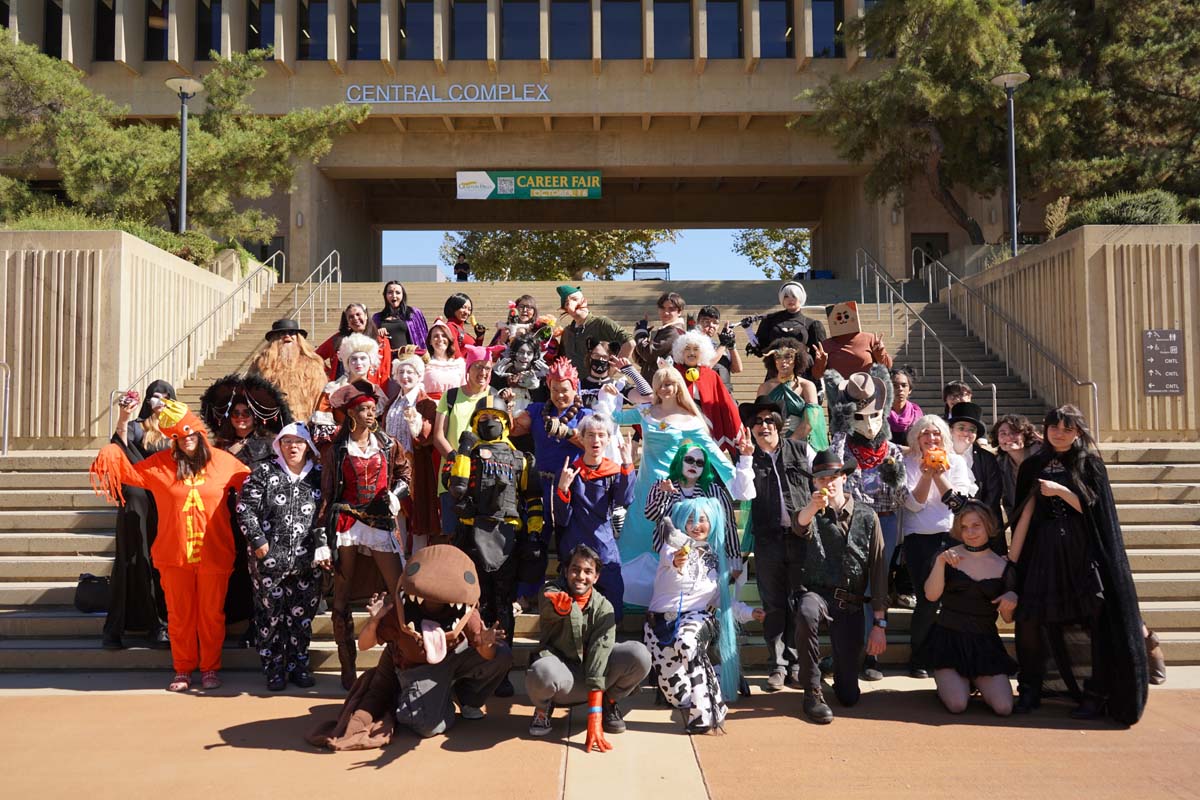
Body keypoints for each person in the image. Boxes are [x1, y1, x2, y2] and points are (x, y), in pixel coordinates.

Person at [89, 399, 251, 692]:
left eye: (191, 435)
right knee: (179, 616)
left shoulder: (224, 462)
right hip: (173, 555)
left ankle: (211, 667)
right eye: (179, 436)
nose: (187, 440)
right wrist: (115, 442)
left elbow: (253, 486)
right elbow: (127, 472)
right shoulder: (161, 465)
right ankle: (183, 669)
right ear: (173, 440)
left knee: (212, 615)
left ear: (200, 433)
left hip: (215, 554)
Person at [1009, 405, 1149, 724]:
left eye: (1067, 429)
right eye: (1054, 427)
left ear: (1078, 433)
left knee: (1095, 622)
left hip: (1083, 552)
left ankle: (1096, 694)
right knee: (1030, 618)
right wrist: (1012, 563)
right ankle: (1030, 688)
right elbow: (1024, 516)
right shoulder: (1033, 465)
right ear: (1044, 429)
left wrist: (1061, 490)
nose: (1059, 433)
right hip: (1043, 551)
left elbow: (1096, 512)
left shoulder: (1090, 464)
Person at [308, 545, 511, 748]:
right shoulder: (400, 608)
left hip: (453, 657)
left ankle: (468, 699)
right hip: (416, 667)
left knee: (501, 654)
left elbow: (487, 654)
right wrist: (375, 621)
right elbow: (364, 644)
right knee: (425, 726)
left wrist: (485, 641)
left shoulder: (462, 607)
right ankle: (439, 700)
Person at [318, 380, 412, 690]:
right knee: (341, 596)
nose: (371, 413)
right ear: (351, 414)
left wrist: (396, 495)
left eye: (373, 409)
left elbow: (404, 474)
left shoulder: (387, 443)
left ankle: (400, 657)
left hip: (380, 520)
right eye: (364, 409)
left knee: (398, 591)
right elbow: (328, 494)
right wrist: (322, 539)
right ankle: (348, 666)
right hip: (345, 521)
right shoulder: (336, 450)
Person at [447, 396, 543, 698]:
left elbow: (533, 499)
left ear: (506, 422)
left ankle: (501, 668)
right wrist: (463, 450)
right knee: (475, 603)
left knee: (503, 604)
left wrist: (536, 534)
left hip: (507, 537)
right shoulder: (468, 454)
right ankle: (475, 665)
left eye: (496, 417)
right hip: (473, 534)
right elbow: (456, 487)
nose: (490, 421)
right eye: (484, 416)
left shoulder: (522, 459)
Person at [644, 497, 764, 734]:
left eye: (702, 519)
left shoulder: (716, 560)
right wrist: (678, 559)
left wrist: (751, 612)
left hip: (696, 619)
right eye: (689, 519)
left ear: (713, 523)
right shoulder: (672, 546)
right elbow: (672, 556)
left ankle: (709, 711)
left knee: (687, 643)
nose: (696, 525)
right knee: (677, 697)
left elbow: (722, 600)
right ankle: (716, 677)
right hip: (658, 626)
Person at [791, 450, 889, 724]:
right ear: (814, 483)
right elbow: (799, 526)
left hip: (851, 604)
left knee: (849, 697)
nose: (827, 483)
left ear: (844, 477)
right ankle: (811, 691)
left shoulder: (868, 516)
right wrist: (812, 507)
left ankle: (833, 665)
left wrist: (879, 624)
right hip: (818, 594)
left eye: (833, 477)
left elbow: (878, 571)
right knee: (806, 610)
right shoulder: (811, 512)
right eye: (821, 478)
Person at [605, 366, 734, 570]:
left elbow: (712, 452)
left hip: (671, 488)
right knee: (636, 532)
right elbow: (616, 418)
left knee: (667, 534)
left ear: (678, 386)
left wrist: (737, 475)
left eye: (669, 384)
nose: (664, 389)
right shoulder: (646, 411)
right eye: (660, 385)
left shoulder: (690, 420)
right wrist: (610, 397)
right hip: (645, 485)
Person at [200, 373, 295, 648]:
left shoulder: (269, 445)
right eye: (236, 413)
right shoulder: (218, 446)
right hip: (222, 517)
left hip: (259, 519)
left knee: (258, 573)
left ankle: (258, 624)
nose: (241, 417)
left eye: (246, 413)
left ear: (256, 416)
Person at [824, 367, 905, 681]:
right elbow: (833, 461)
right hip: (852, 525)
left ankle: (873, 655)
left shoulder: (893, 451)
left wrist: (895, 479)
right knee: (848, 589)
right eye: (860, 417)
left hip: (884, 524)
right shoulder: (845, 451)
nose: (869, 424)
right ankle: (847, 651)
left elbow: (902, 496)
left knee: (876, 588)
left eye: (874, 416)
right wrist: (841, 425)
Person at [526, 544, 652, 746]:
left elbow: (600, 654)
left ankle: (608, 702)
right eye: (575, 569)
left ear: (596, 577)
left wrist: (595, 713)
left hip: (596, 677)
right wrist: (560, 610)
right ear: (566, 571)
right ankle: (543, 709)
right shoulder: (553, 592)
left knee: (639, 654)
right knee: (541, 671)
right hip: (564, 677)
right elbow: (546, 601)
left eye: (587, 571)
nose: (580, 576)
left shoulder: (604, 607)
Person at [235, 422, 327, 691]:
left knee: (302, 617)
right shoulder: (264, 472)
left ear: (308, 446)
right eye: (286, 442)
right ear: (279, 446)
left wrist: (325, 546)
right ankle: (274, 669)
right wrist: (258, 540)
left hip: (307, 561)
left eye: (298, 442)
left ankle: (299, 665)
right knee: (269, 616)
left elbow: (328, 512)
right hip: (269, 561)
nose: (293, 447)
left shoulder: (319, 475)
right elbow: (245, 508)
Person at [740, 396, 814, 690]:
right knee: (773, 604)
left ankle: (797, 664)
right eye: (757, 422)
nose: (763, 426)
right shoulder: (747, 459)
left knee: (798, 601)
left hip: (800, 538)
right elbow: (742, 493)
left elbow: (822, 477)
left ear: (780, 425)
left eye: (769, 420)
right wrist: (745, 459)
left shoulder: (800, 449)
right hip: (768, 540)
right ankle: (778, 665)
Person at [919, 501, 1018, 716]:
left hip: (985, 644)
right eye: (964, 527)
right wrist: (940, 563)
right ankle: (953, 682)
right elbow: (931, 595)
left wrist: (1012, 598)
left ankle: (973, 681)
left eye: (976, 526)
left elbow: (1008, 619)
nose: (970, 532)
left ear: (988, 526)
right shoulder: (948, 556)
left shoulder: (1003, 566)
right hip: (948, 641)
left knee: (1004, 708)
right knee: (957, 705)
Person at [900, 414, 977, 679]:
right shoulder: (907, 462)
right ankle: (918, 656)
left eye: (935, 433)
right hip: (919, 539)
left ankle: (947, 655)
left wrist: (940, 475)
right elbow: (913, 504)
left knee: (951, 599)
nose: (931, 438)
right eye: (925, 433)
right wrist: (925, 475)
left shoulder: (956, 462)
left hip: (951, 537)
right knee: (928, 599)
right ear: (917, 438)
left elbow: (959, 503)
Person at [102, 381, 174, 650]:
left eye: (166, 397)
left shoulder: (177, 429)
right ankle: (119, 627)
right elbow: (120, 446)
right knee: (134, 560)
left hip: (167, 505)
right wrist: (124, 417)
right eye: (155, 396)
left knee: (161, 564)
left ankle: (160, 624)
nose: (160, 401)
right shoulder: (137, 427)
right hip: (139, 506)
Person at [553, 415, 635, 614]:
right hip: (575, 543)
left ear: (608, 439)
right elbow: (562, 518)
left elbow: (624, 500)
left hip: (603, 545)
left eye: (601, 435)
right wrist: (563, 490)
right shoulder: (569, 472)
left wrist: (627, 465)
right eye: (590, 435)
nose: (595, 440)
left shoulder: (614, 471)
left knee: (612, 596)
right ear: (581, 438)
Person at [645, 436, 755, 576]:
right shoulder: (663, 485)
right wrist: (663, 494)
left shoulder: (713, 490)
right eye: (689, 460)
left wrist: (734, 559)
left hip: (706, 559)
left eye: (699, 463)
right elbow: (651, 515)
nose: (694, 465)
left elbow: (728, 525)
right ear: (680, 460)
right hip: (671, 559)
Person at [431, 344, 506, 539]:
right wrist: (457, 460)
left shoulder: (494, 396)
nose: (483, 372)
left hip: (484, 478)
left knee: (481, 540)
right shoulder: (452, 396)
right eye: (478, 367)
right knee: (452, 536)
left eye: (487, 368)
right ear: (468, 368)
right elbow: (438, 435)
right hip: (453, 478)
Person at [383, 348, 440, 554]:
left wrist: (416, 422)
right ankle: (399, 560)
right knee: (396, 511)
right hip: (392, 466)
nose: (405, 377)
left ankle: (418, 560)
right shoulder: (392, 402)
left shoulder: (425, 403)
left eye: (410, 373)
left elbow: (427, 437)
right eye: (401, 373)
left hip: (415, 465)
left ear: (419, 375)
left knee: (418, 514)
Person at [946, 402, 1005, 554]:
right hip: (948, 526)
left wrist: (976, 521)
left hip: (982, 524)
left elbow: (993, 494)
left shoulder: (987, 459)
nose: (966, 433)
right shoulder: (942, 455)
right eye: (961, 428)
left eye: (971, 430)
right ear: (951, 430)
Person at [672, 330, 744, 456]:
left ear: (703, 353)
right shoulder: (672, 374)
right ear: (681, 352)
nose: (691, 353)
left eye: (696, 349)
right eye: (687, 349)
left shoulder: (711, 375)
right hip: (679, 428)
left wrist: (737, 429)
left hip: (706, 430)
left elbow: (726, 404)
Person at [310, 333, 388, 445]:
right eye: (354, 359)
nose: (358, 363)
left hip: (371, 448)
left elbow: (381, 425)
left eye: (363, 358)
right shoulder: (332, 389)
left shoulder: (376, 391)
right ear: (347, 362)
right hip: (340, 446)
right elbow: (322, 427)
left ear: (370, 362)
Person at [246, 319, 328, 422]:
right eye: (282, 333)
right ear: (274, 339)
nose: (287, 336)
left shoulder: (313, 363)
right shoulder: (261, 363)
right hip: (272, 424)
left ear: (298, 338)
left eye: (292, 333)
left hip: (305, 423)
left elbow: (321, 397)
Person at [755, 338, 829, 450]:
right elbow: (759, 419)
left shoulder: (807, 385)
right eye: (778, 357)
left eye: (788, 356)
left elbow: (811, 420)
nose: (782, 361)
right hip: (772, 443)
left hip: (801, 444)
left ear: (797, 359)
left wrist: (789, 444)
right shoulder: (765, 387)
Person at [557, 284, 634, 376]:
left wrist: (612, 370)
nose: (572, 304)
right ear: (565, 309)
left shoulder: (601, 323)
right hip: (574, 387)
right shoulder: (567, 332)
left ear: (584, 301)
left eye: (575, 299)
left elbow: (630, 343)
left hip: (598, 386)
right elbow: (561, 359)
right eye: (567, 303)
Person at [810, 300, 892, 381]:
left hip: (867, 390)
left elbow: (887, 366)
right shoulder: (826, 345)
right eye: (838, 317)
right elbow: (817, 376)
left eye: (846, 316)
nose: (842, 320)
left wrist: (880, 354)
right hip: (838, 392)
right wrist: (820, 363)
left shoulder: (870, 339)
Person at [316, 303, 391, 383]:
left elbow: (385, 371)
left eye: (358, 314)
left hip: (371, 390)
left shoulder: (381, 341)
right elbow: (315, 356)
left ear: (366, 316)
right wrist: (329, 373)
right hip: (343, 390)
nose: (355, 318)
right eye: (351, 317)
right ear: (347, 321)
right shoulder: (338, 339)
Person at [991, 414, 1041, 530]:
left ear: (1025, 435)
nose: (1008, 437)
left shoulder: (1041, 455)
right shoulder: (1000, 463)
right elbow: (1008, 500)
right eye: (1003, 433)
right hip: (1021, 521)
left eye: (1014, 432)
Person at [753, 280, 826, 357]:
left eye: (794, 296)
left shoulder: (812, 324)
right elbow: (760, 351)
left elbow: (818, 355)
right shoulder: (769, 320)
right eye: (786, 296)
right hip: (775, 367)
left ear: (800, 297)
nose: (790, 299)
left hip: (803, 367)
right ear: (782, 299)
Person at [633, 291, 688, 384]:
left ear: (679, 312)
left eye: (671, 309)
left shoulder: (673, 331)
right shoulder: (668, 330)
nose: (666, 312)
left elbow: (648, 354)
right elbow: (645, 360)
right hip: (657, 384)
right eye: (662, 308)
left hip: (663, 386)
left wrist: (640, 333)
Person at [696, 305, 743, 395]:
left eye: (715, 322)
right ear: (698, 322)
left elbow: (737, 369)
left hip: (725, 394)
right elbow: (706, 366)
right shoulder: (692, 344)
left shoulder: (719, 346)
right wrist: (724, 344)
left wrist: (731, 345)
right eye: (706, 321)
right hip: (707, 395)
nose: (711, 325)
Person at [372, 281, 430, 353]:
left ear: (403, 295)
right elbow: (371, 340)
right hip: (387, 358)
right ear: (385, 295)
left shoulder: (413, 313)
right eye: (390, 292)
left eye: (398, 292)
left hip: (408, 359)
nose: (394, 295)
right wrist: (377, 334)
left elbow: (423, 337)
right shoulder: (377, 317)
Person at [422, 318, 466, 401]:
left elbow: (464, 391)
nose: (440, 339)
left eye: (444, 335)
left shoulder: (459, 365)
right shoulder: (423, 365)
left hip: (453, 408)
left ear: (449, 339)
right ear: (430, 341)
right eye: (435, 336)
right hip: (430, 408)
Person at [887, 366, 923, 443]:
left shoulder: (916, 413)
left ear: (910, 389)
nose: (900, 389)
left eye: (904, 385)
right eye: (895, 385)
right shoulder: (880, 413)